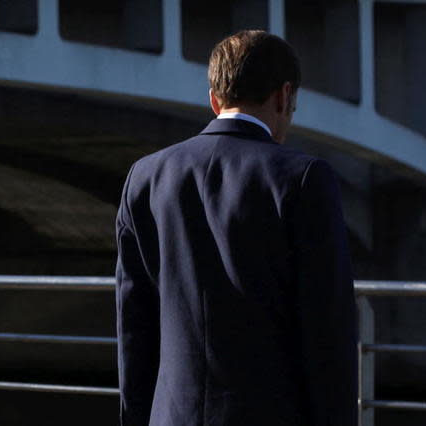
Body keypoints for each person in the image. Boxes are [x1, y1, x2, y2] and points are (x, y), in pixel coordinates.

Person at [115, 30, 357, 426]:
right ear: (284, 96)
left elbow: (134, 328)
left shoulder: (145, 177)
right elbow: (327, 335)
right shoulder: (303, 178)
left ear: (215, 99)